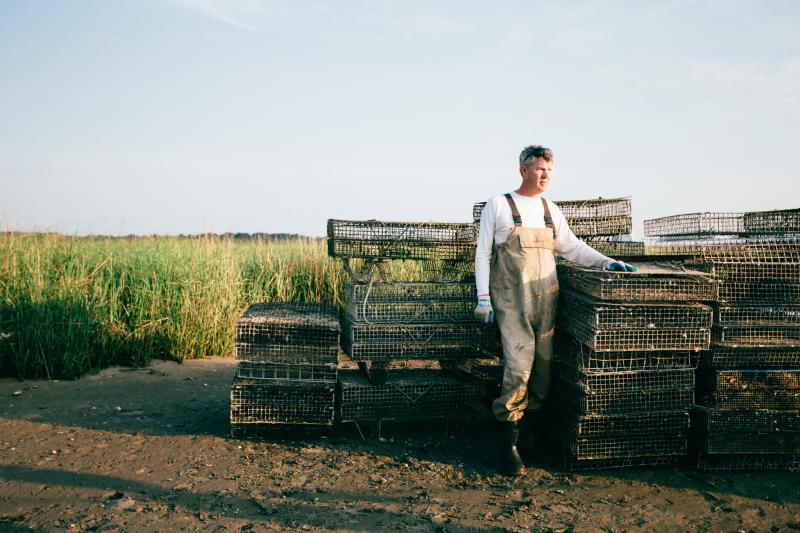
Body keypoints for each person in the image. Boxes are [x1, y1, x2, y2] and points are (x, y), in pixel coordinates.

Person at [473, 145, 636, 476]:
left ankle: (530, 440)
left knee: (543, 371)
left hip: (546, 301)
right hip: (511, 301)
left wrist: (607, 261)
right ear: (522, 170)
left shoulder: (550, 209)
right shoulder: (499, 205)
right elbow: (482, 253)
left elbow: (572, 247)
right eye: (539, 169)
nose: (545, 175)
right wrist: (483, 298)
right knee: (518, 367)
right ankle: (509, 446)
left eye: (549, 170)